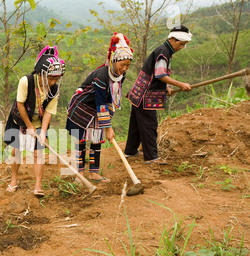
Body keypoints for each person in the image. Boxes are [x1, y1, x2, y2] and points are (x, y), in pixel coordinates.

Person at [66, 33, 133, 183]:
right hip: (82, 107)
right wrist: (108, 127)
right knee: (81, 140)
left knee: (97, 139)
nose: (125, 68)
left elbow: (112, 98)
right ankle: (80, 173)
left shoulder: (121, 75)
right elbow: (101, 101)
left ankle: (94, 173)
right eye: (123, 65)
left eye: (128, 65)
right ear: (114, 60)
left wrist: (108, 121)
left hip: (98, 108)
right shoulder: (102, 75)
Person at [124, 25, 193, 164]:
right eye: (181, 44)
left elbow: (158, 74)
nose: (181, 47)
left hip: (139, 92)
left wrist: (166, 86)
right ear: (172, 39)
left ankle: (130, 151)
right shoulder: (163, 52)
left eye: (184, 45)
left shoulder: (165, 51)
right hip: (146, 94)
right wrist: (181, 84)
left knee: (137, 124)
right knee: (149, 125)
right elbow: (160, 74)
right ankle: (151, 157)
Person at [3, 46, 65, 197]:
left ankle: (38, 185)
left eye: (56, 79)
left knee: (39, 153)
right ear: (41, 74)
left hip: (39, 122)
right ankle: (14, 179)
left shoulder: (54, 90)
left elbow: (49, 111)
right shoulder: (26, 81)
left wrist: (42, 132)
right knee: (15, 150)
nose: (53, 82)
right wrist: (29, 126)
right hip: (20, 120)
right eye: (51, 78)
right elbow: (20, 104)